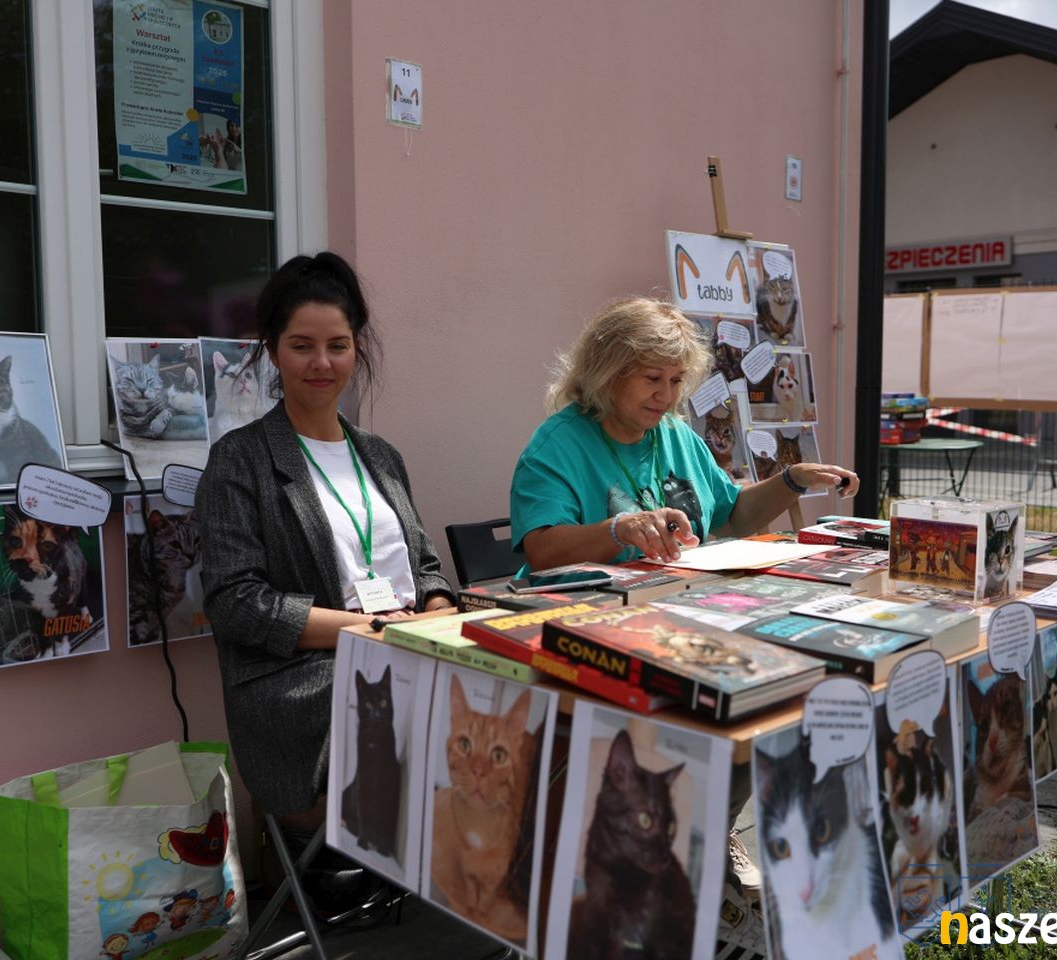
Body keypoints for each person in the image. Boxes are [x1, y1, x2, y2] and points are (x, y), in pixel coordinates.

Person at [196, 251, 455, 904]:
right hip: (305, 684)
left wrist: (439, 612)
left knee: (531, 693)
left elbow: (424, 566)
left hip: (410, 654)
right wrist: (370, 631)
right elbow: (235, 602)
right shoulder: (240, 460)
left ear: (356, 348)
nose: (322, 363)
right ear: (273, 351)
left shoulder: (380, 455)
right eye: (302, 345)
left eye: (337, 345)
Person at [510, 297, 860, 570]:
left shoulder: (674, 433)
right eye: (652, 378)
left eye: (676, 380)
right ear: (608, 374)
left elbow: (731, 517)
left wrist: (793, 479)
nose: (666, 396)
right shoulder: (557, 446)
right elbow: (542, 552)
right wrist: (619, 529)